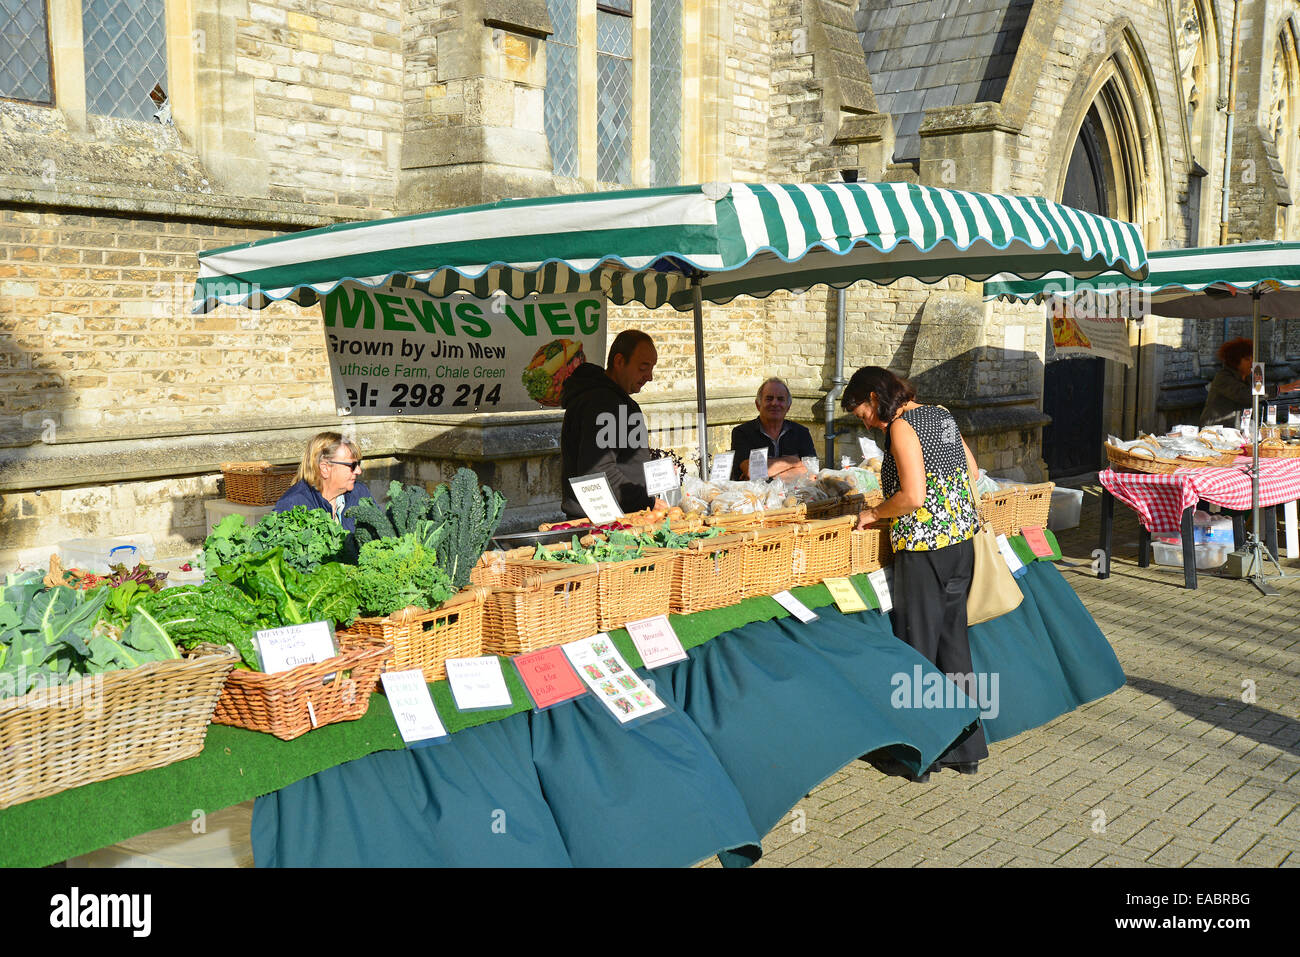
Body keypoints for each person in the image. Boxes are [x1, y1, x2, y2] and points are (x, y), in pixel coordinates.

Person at [842, 366, 987, 781]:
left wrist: (873, 513)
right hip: (961, 545)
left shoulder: (903, 427)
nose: (866, 422)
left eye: (862, 413)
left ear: (874, 396)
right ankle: (966, 750)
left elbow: (911, 495)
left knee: (918, 649)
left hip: (925, 550)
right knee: (953, 645)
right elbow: (972, 472)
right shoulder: (940, 414)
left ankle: (921, 755)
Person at [560, 330, 667, 518]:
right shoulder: (603, 403)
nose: (649, 376)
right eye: (643, 367)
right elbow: (600, 472)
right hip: (605, 523)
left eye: (652, 368)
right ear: (619, 361)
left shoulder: (609, 399)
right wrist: (647, 501)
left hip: (618, 517)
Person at [273, 431, 372, 534]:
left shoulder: (360, 493)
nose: (359, 471)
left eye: (359, 463)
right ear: (325, 468)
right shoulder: (292, 505)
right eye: (353, 465)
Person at [730, 377, 818, 480]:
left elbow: (812, 473)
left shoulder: (801, 433)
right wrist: (793, 460)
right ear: (758, 405)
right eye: (769, 398)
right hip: (757, 495)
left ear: (788, 407)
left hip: (795, 495)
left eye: (780, 399)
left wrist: (767, 475)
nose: (775, 403)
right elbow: (752, 471)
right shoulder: (742, 433)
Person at [1199, 337, 1300, 427]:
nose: (1252, 363)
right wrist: (1280, 389)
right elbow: (1245, 394)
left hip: (1238, 430)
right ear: (1235, 361)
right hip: (1216, 429)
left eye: (1253, 359)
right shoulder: (1223, 377)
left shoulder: (1248, 379)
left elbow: (1257, 394)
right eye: (1247, 359)